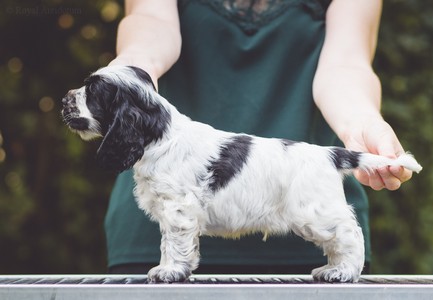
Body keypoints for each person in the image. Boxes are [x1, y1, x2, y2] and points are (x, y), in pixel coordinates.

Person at [106, 0, 413, 275]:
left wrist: (360, 122)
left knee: (326, 228)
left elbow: (346, 62)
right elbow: (151, 21)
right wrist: (127, 75)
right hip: (150, 246)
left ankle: (344, 248)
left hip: (304, 221)